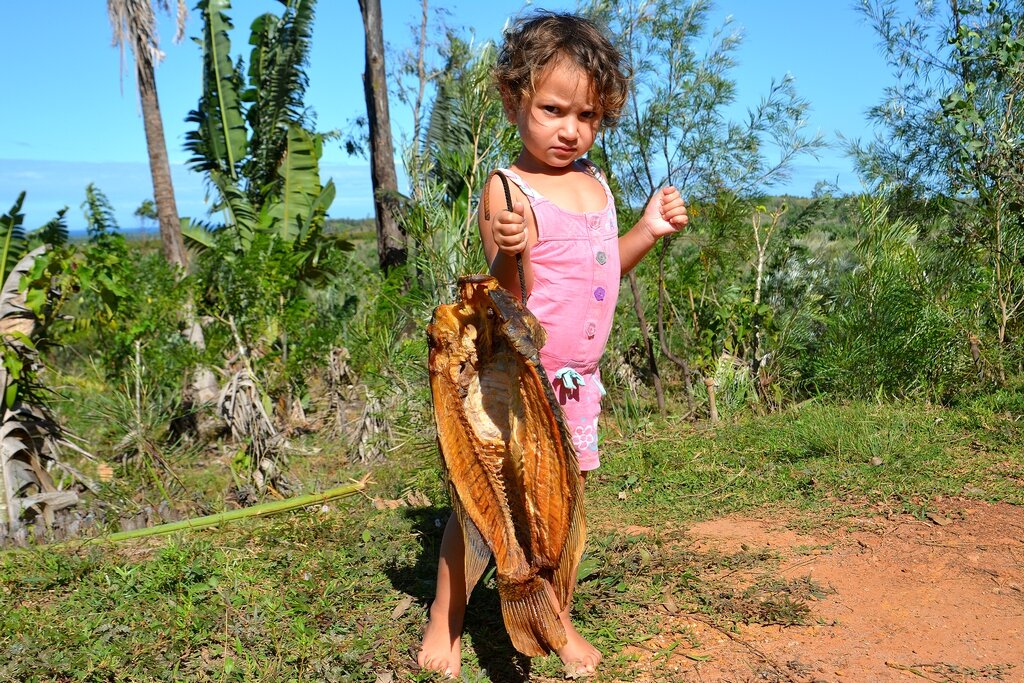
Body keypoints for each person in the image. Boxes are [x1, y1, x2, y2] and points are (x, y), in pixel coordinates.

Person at [418, 10, 689, 678]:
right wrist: (507, 253)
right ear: (514, 100)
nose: (571, 129)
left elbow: (602, 267)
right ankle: (444, 619)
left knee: (560, 512)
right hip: (518, 385)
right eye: (553, 109)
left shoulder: (594, 182)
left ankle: (555, 622)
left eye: (587, 115)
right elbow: (502, 300)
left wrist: (648, 230)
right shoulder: (508, 190)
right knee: (485, 511)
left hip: (577, 381)